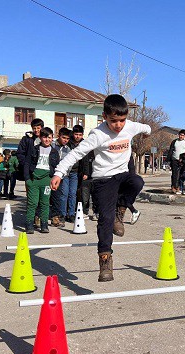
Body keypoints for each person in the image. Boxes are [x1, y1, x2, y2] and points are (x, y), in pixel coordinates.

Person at [51, 94, 151, 282]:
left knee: (137, 182)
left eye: (122, 120)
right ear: (104, 116)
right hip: (103, 179)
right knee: (104, 218)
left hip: (122, 174)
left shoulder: (129, 126)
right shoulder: (98, 135)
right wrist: (59, 173)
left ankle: (120, 212)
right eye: (114, 121)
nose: (118, 125)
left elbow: (146, 127)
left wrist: (147, 132)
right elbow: (75, 154)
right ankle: (105, 259)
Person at [23, 126, 60, 234]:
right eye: (44, 137)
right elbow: (27, 164)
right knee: (32, 203)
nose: (47, 139)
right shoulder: (34, 149)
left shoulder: (54, 152)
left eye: (49, 137)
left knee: (45, 203)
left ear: (52, 138)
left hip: (47, 180)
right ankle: (29, 224)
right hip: (34, 180)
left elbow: (57, 167)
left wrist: (55, 179)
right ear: (40, 137)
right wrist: (27, 179)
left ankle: (44, 224)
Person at [16, 119, 43, 227]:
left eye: (38, 128)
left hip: (42, 172)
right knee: (31, 196)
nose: (36, 130)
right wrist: (26, 165)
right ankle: (30, 218)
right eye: (34, 128)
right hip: (30, 172)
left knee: (42, 197)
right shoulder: (26, 139)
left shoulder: (45, 138)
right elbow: (20, 153)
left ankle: (38, 217)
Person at [50, 127, 72, 227]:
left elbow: (70, 163)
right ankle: (40, 216)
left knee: (61, 196)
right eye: (63, 138)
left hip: (62, 176)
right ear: (58, 136)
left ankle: (58, 216)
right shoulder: (51, 145)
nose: (65, 140)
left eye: (67, 139)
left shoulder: (68, 149)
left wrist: (63, 173)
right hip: (50, 174)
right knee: (47, 196)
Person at [167, 129, 185, 194]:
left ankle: (179, 188)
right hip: (174, 160)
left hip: (182, 161)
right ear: (178, 135)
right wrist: (168, 160)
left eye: (182, 135)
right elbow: (170, 151)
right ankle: (174, 187)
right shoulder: (174, 142)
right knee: (174, 174)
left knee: (181, 175)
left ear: (184, 136)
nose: (181, 136)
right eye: (180, 135)